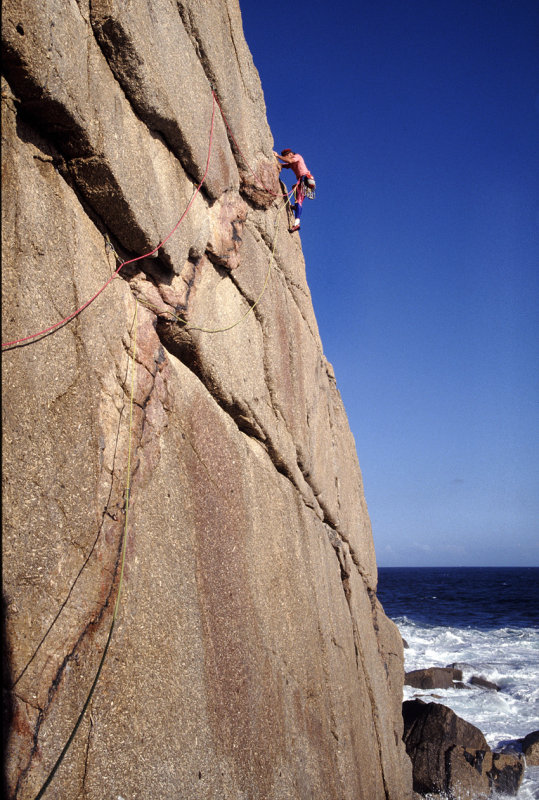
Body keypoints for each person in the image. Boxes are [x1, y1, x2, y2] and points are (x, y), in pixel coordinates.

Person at [273, 149, 316, 232]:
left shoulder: (297, 157)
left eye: (285, 156)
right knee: (294, 188)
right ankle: (296, 207)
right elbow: (285, 165)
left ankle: (297, 223)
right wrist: (277, 162)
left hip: (305, 178)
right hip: (303, 180)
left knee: (299, 200)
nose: (285, 157)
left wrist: (277, 156)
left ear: (290, 154)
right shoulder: (291, 162)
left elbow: (289, 161)